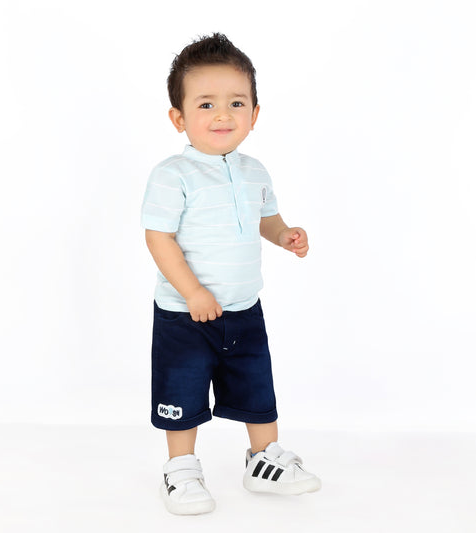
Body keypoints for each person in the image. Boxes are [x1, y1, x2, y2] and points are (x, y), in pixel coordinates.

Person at [141, 33, 321, 516]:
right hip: (186, 315)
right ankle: (181, 469)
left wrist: (284, 235)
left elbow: (267, 218)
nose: (223, 115)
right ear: (179, 118)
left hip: (243, 308)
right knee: (182, 391)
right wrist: (193, 292)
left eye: (236, 103)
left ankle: (264, 459)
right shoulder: (173, 174)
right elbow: (159, 238)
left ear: (254, 114)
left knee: (256, 386)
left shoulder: (254, 171)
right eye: (206, 104)